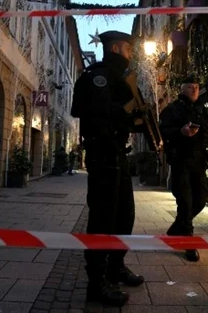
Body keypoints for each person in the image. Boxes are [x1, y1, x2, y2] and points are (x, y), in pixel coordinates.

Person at [70, 30, 145, 306]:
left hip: (118, 154)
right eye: (128, 49)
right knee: (103, 218)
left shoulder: (120, 78)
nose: (131, 54)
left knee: (125, 215)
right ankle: (97, 281)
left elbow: (120, 116)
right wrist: (125, 113)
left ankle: (116, 266)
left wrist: (137, 118)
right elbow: (92, 114)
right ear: (115, 48)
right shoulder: (98, 76)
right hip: (103, 154)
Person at [159, 74, 208, 262]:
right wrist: (181, 132)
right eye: (189, 86)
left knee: (201, 199)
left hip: (199, 162)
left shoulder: (204, 111)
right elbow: (163, 131)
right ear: (181, 88)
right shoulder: (172, 110)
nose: (194, 89)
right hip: (181, 161)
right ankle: (188, 243)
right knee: (185, 202)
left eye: (196, 86)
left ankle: (177, 228)